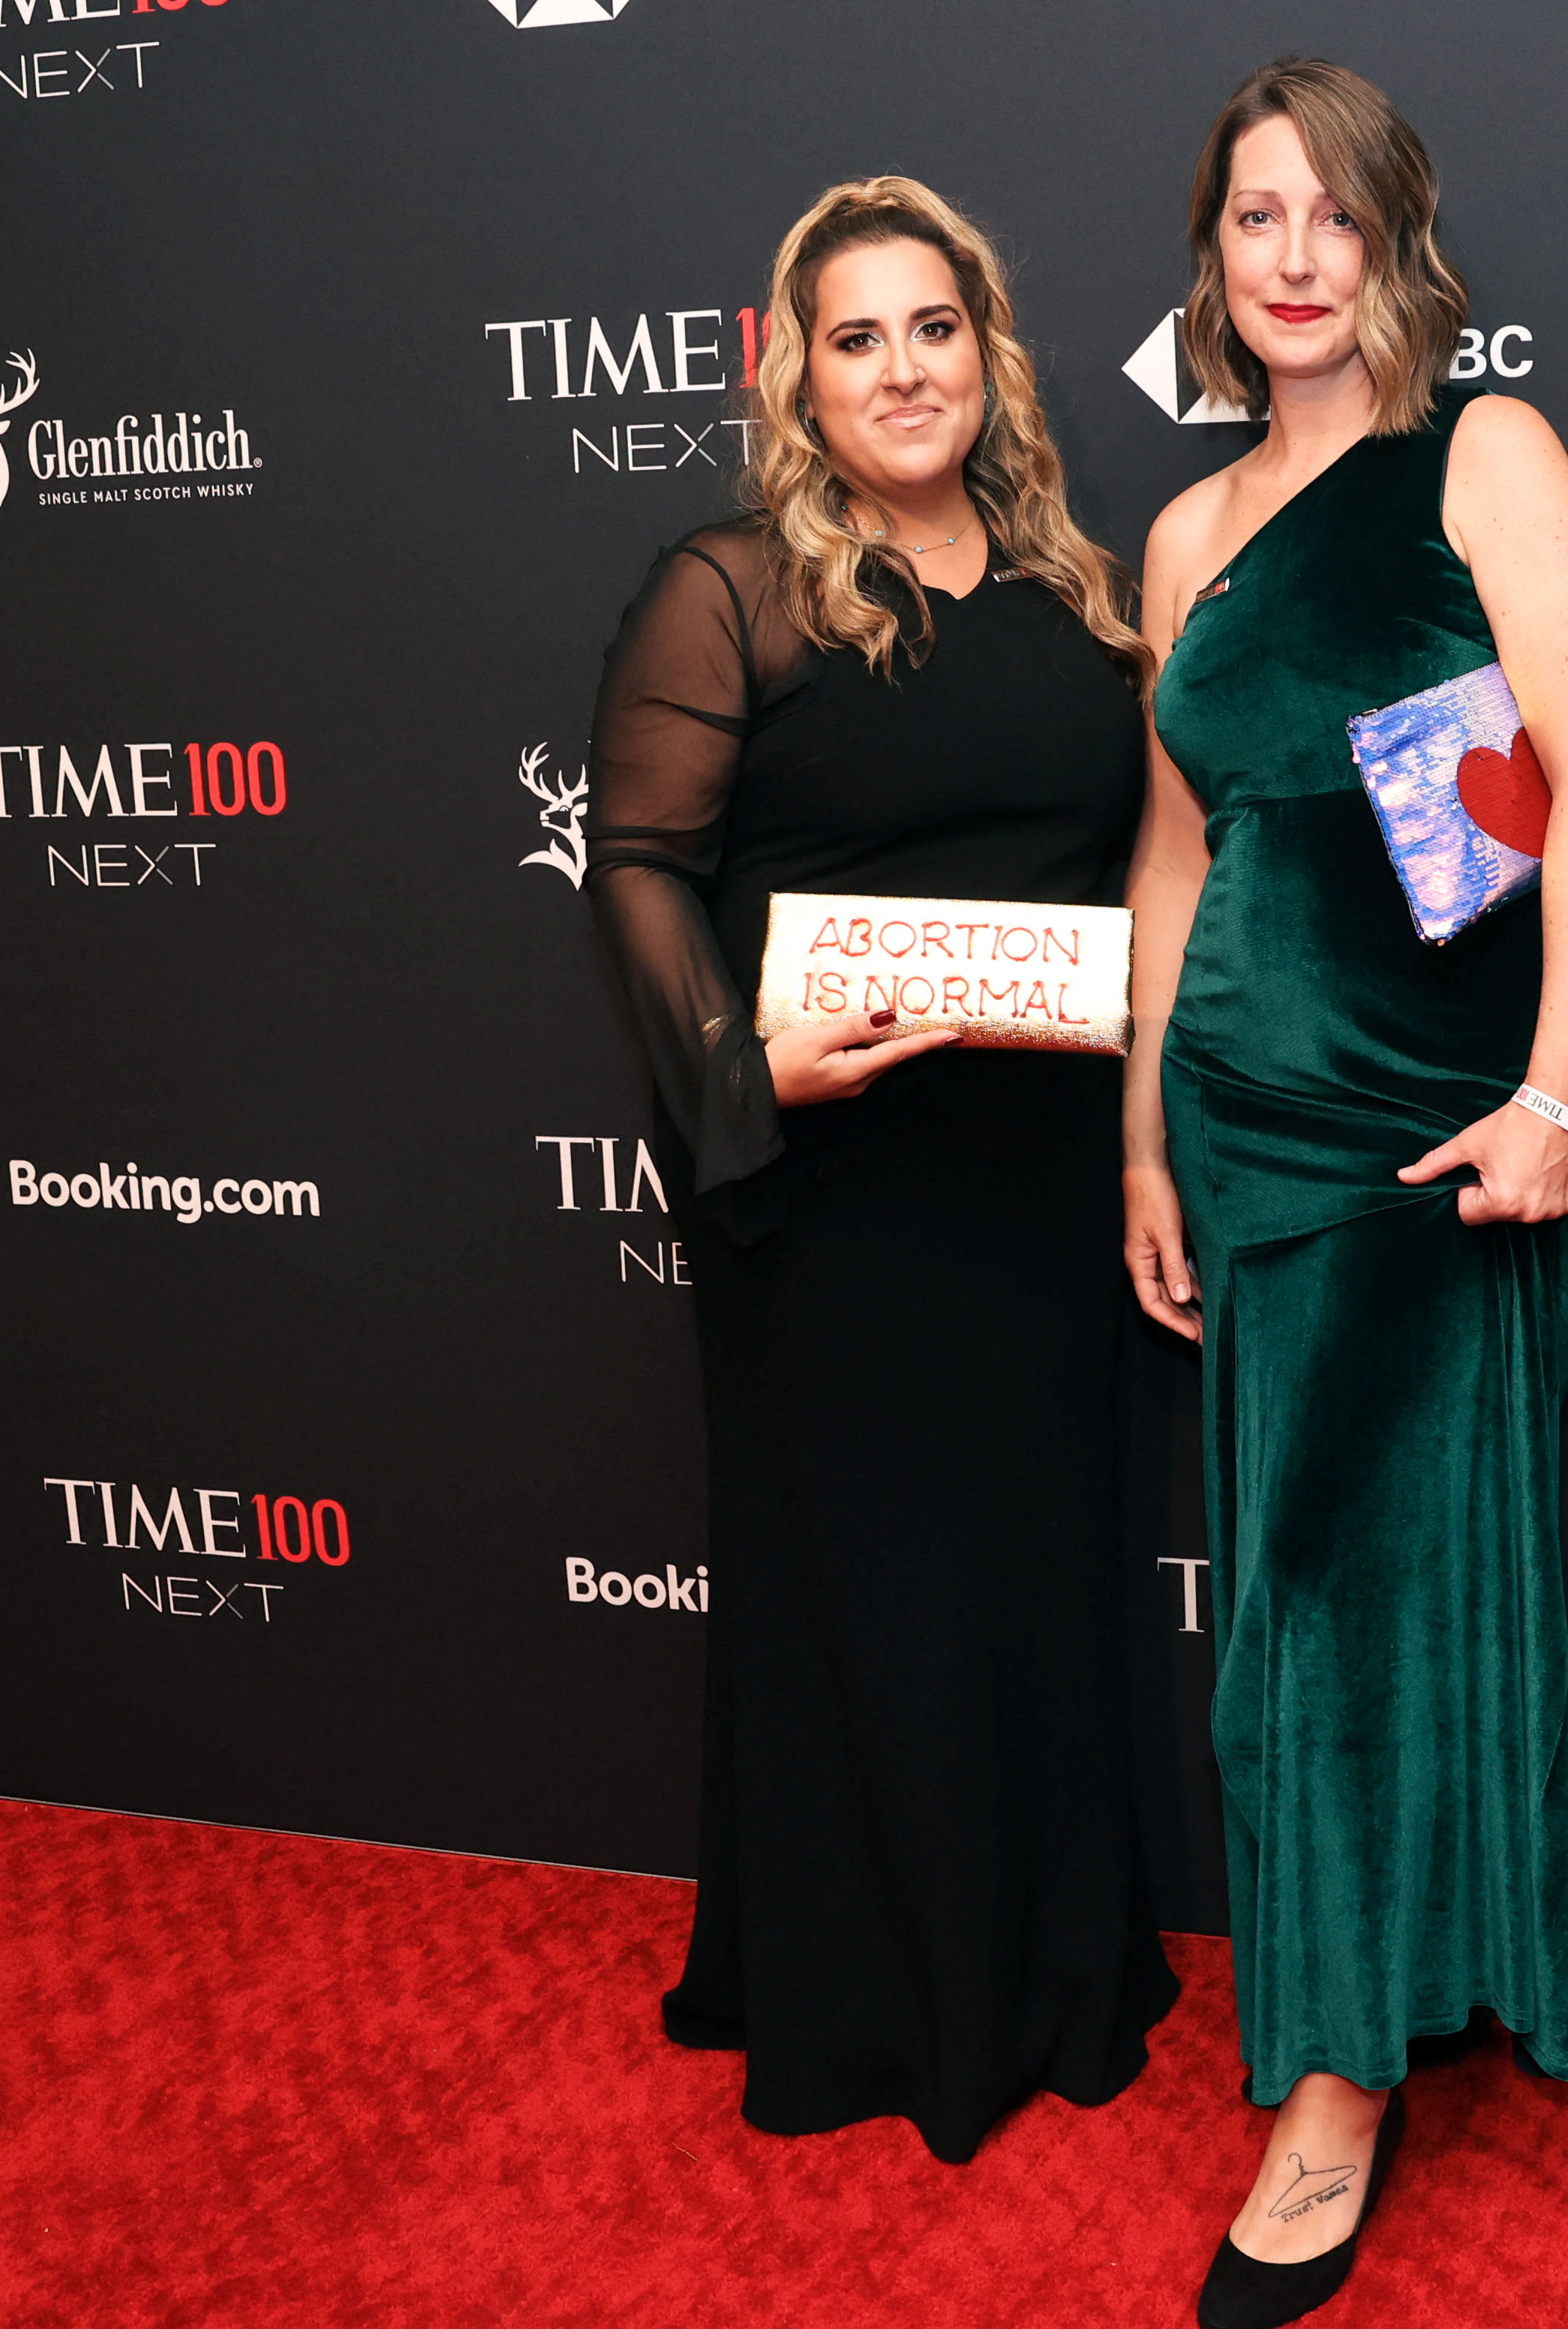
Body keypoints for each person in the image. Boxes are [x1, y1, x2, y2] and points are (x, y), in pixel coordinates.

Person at [1121, 59, 1568, 2329]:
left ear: (1397, 242)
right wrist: (1140, 1129)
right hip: (1241, 1128)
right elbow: (1179, 849)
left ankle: (1334, 2081)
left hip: (1434, 1127)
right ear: (1216, 260)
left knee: (1350, 1607)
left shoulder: (1485, 457)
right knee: (1291, 1609)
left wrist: (1561, 1092)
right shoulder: (1185, 531)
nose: (1295, 255)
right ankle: (1356, 2007)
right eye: (1256, 218)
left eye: (1333, 213)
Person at [583, 176, 1177, 2164]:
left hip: (1031, 1193)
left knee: (1022, 1582)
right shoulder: (731, 585)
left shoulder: (1077, 588)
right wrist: (743, 1072)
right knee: (872, 1594)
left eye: (933, 327)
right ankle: (871, 2002)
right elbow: (641, 867)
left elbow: (1141, 867)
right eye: (856, 337)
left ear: (987, 352)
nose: (901, 370)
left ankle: (1045, 1967)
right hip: (828, 1202)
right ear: (794, 370)